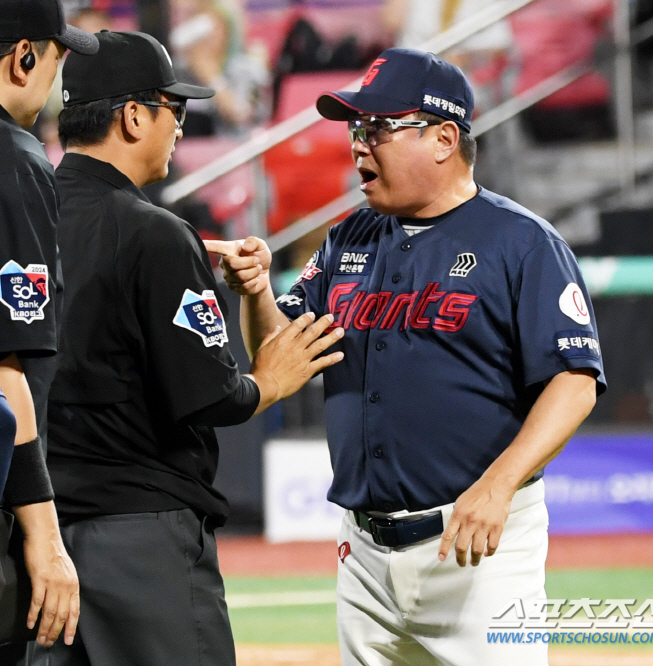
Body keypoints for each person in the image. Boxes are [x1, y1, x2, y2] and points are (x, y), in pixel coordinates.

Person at [206, 47, 606, 666]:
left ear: (445, 138)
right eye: (355, 130)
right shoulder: (348, 237)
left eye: (379, 129)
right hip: (363, 552)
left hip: (477, 548)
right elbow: (275, 353)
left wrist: (498, 488)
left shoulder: (522, 242)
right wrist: (256, 292)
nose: (359, 145)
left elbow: (575, 381)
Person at [29, 30, 344, 666]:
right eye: (172, 110)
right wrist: (272, 380)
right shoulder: (156, 234)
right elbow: (213, 397)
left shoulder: (29, 212)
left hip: (39, 532)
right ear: (134, 116)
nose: (179, 125)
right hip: (140, 539)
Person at [0, 0, 98, 659]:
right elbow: (7, 371)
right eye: (58, 61)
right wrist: (45, 537)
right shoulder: (15, 162)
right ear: (23, 57)